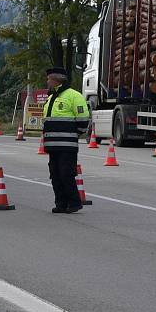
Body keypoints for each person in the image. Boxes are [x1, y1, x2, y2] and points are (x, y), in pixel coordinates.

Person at [42, 67, 90, 213]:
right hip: (52, 146)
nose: (47, 81)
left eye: (49, 79)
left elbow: (83, 119)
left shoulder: (74, 96)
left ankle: (74, 203)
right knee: (55, 175)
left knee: (66, 174)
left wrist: (74, 134)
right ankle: (61, 203)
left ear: (56, 80)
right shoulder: (51, 97)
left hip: (67, 145)